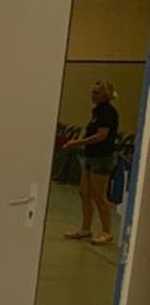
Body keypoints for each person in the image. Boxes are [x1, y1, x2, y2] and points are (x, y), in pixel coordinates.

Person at [64, 80, 119, 245]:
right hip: (90, 156)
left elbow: (101, 135)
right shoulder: (97, 111)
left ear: (105, 95)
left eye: (97, 93)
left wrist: (77, 143)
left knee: (99, 196)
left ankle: (106, 231)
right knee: (84, 192)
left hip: (102, 157)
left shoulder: (107, 112)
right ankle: (85, 228)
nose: (93, 95)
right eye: (92, 92)